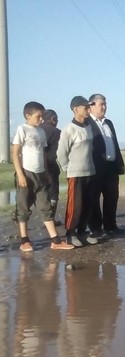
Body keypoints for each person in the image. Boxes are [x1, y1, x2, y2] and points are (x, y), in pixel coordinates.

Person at [11, 101, 74, 251]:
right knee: (23, 207)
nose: (41, 120)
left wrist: (46, 173)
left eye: (42, 117)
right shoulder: (22, 129)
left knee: (45, 206)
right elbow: (15, 153)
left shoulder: (40, 131)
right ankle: (24, 240)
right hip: (26, 173)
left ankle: (55, 240)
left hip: (41, 173)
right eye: (38, 117)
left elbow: (43, 154)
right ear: (28, 115)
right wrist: (20, 174)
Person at [56, 96, 99, 247]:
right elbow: (61, 153)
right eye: (85, 108)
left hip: (90, 172)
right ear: (75, 109)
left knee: (88, 204)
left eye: (89, 107)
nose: (88, 110)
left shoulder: (88, 127)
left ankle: (82, 231)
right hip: (76, 173)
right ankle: (70, 233)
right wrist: (67, 168)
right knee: (76, 205)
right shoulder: (69, 129)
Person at [87, 94, 125, 237]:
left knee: (112, 197)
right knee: (94, 198)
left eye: (105, 104)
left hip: (111, 167)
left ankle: (111, 225)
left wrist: (119, 164)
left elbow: (114, 144)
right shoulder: (87, 123)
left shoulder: (108, 123)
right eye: (101, 104)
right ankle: (96, 228)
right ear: (91, 105)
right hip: (96, 167)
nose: (104, 107)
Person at [39, 109, 62, 226]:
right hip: (50, 166)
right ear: (53, 119)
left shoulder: (36, 129)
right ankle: (50, 219)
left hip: (35, 167)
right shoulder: (56, 132)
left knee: (34, 194)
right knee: (53, 194)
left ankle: (20, 222)